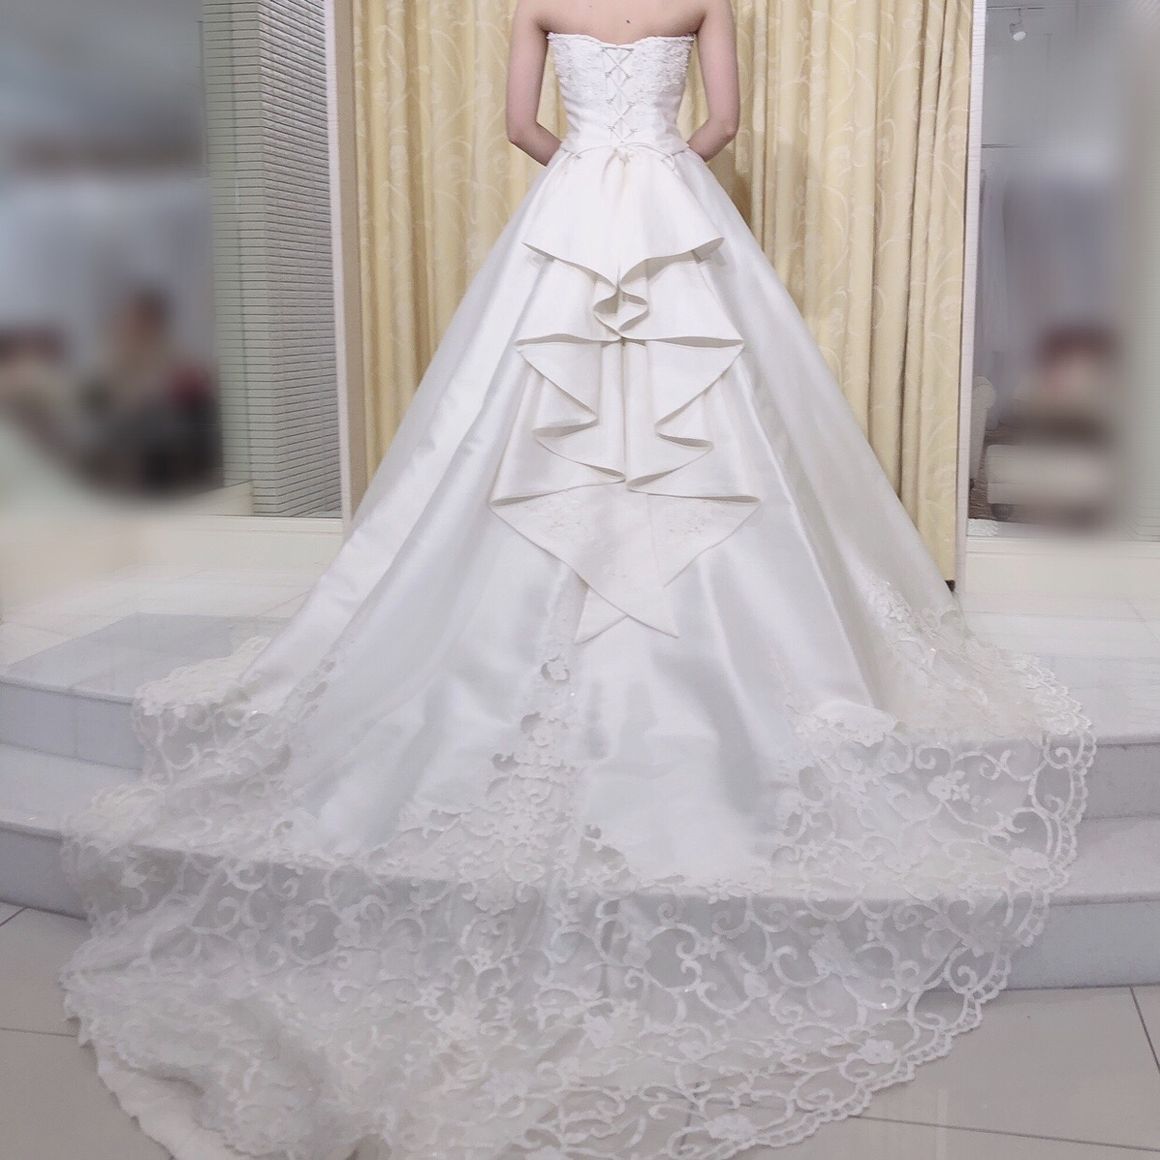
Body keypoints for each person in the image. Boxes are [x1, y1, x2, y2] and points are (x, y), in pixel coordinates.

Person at [60, 2, 1093, 1157]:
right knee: (723, 428)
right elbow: (722, 123)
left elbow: (518, 127)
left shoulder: (539, 6)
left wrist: (585, 168)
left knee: (508, 428)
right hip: (672, 209)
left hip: (568, 218)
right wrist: (653, 168)